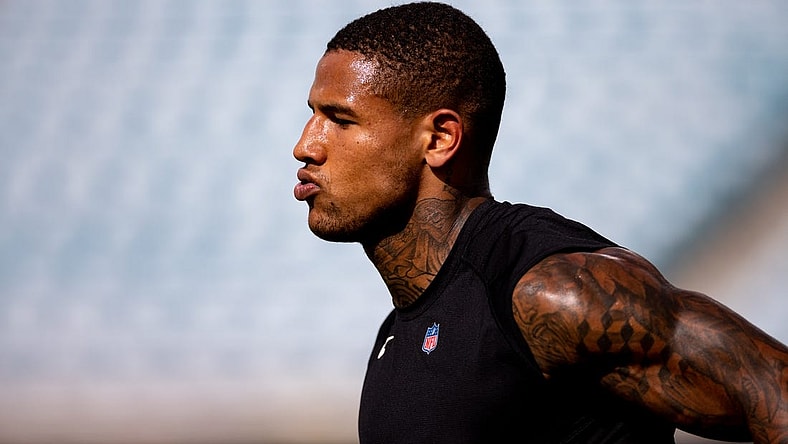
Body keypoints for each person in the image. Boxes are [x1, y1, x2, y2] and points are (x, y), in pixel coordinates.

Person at [291, 2, 788, 443]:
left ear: (440, 138)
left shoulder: (550, 290)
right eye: (312, 115)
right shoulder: (397, 334)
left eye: (340, 119)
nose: (305, 146)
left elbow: (774, 390)